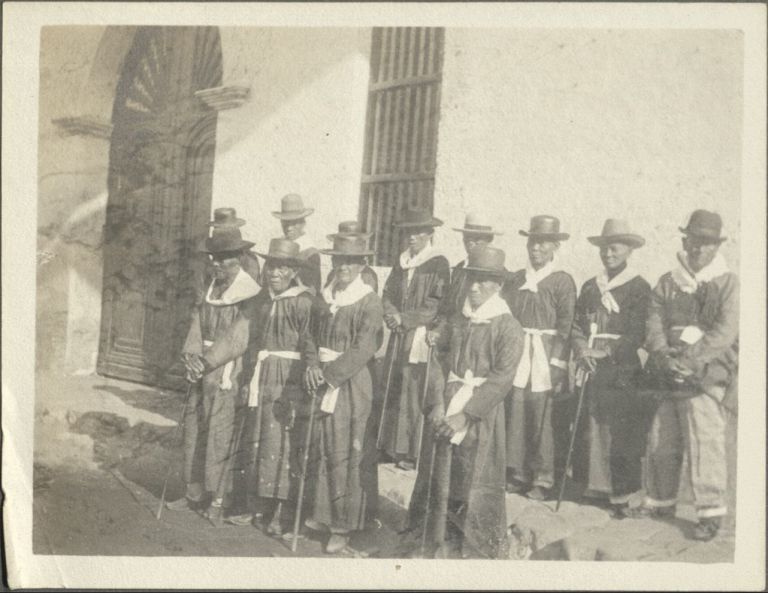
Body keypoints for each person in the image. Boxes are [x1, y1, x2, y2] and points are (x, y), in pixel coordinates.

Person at [184, 238, 316, 535]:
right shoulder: (263, 301)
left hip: (289, 379)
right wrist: (215, 366)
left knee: (283, 443)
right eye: (271, 267)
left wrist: (305, 379)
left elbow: (311, 344)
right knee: (260, 440)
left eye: (283, 268)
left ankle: (282, 512)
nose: (275, 273)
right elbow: (243, 337)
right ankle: (259, 507)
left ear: (294, 272)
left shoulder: (305, 302)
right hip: (262, 376)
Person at [405, 246, 524, 559]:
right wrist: (436, 403)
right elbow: (438, 361)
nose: (474, 287)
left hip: (480, 415)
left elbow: (502, 378)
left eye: (483, 281)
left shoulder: (508, 326)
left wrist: (466, 415)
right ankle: (434, 538)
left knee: (473, 476)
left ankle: (471, 546)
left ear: (498, 285)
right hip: (447, 402)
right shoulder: (459, 320)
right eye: (472, 279)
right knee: (440, 472)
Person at [632, 210, 738, 541]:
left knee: (705, 441)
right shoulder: (668, 282)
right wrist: (664, 356)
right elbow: (654, 322)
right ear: (684, 240)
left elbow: (725, 332)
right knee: (661, 438)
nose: (698, 248)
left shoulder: (728, 283)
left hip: (705, 373)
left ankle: (710, 512)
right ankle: (660, 501)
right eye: (694, 241)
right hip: (668, 371)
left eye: (706, 243)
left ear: (716, 246)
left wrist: (689, 361)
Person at [170, 223, 261, 526]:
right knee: (195, 429)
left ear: (239, 258)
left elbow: (239, 336)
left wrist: (207, 362)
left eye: (224, 258)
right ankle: (193, 491)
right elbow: (197, 322)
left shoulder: (250, 293)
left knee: (221, 435)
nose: (217, 264)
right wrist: (192, 356)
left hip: (226, 370)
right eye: (214, 258)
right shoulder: (211, 287)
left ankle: (220, 499)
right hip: (201, 367)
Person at [303, 233, 384, 554]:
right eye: (339, 260)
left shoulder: (369, 300)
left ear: (362, 265)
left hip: (351, 382)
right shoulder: (325, 297)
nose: (344, 267)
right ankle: (323, 515)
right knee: (324, 444)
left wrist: (330, 375)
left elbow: (364, 347)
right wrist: (312, 364)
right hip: (322, 375)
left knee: (346, 447)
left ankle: (343, 524)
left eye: (351, 261)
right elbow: (310, 334)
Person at [570, 219, 651, 518]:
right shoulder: (591, 287)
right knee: (590, 426)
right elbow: (576, 325)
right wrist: (582, 349)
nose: (608, 254)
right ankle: (594, 488)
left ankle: (622, 493)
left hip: (621, 366)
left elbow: (638, 332)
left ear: (629, 250)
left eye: (615, 248)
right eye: (604, 248)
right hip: (591, 363)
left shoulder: (639, 287)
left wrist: (606, 351)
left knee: (619, 430)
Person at [502, 215, 577, 500]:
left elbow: (566, 325)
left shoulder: (561, 281)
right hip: (521, 351)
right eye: (533, 242)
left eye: (543, 243)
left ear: (555, 246)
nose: (536, 248)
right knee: (518, 410)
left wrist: (558, 362)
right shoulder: (517, 280)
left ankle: (544, 478)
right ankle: (518, 472)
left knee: (543, 416)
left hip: (546, 355)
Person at [379, 208, 451, 470]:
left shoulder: (438, 263)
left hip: (419, 334)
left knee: (413, 391)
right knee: (393, 385)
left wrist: (405, 318)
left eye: (418, 232)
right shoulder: (402, 262)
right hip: (399, 333)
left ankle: (410, 451)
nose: (412, 237)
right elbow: (388, 293)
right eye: (408, 232)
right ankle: (389, 447)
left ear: (429, 234)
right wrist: (391, 313)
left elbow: (435, 303)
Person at [427, 212, 502, 345]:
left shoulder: (497, 274)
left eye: (477, 238)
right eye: (467, 237)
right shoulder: (459, 269)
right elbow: (449, 307)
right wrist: (439, 328)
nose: (470, 242)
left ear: (489, 240)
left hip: (483, 337)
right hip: (454, 336)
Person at [271, 194, 322, 293]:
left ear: (303, 223)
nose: (289, 228)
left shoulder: (310, 254)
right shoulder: (278, 246)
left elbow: (311, 289)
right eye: (285, 222)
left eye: (294, 222)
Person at [323, 221, 379, 292]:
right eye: (338, 260)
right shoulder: (333, 275)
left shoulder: (368, 276)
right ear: (333, 261)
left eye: (349, 261)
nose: (342, 267)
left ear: (361, 264)